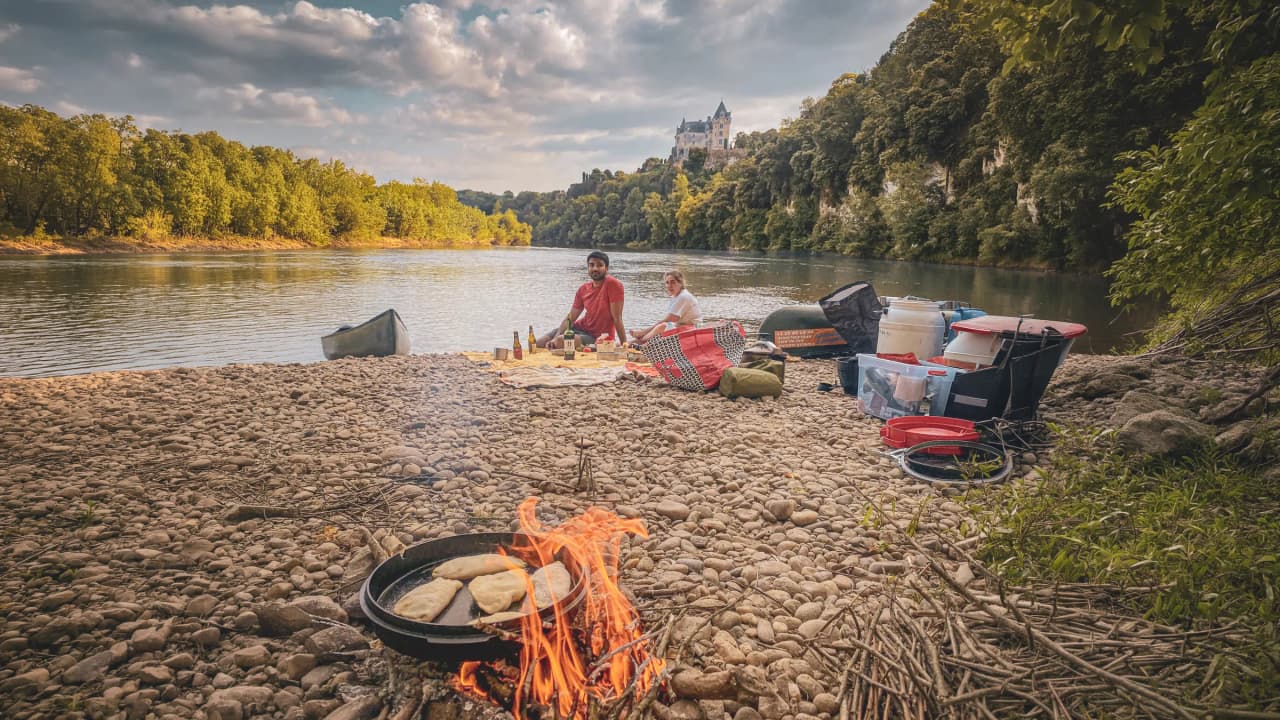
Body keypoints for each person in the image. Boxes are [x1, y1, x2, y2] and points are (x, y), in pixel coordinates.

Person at [539, 250, 626, 349]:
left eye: (599, 265)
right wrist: (555, 337)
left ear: (606, 268)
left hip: (597, 337)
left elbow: (617, 318)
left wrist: (625, 345)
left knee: (561, 341)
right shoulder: (583, 289)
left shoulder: (613, 284)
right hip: (578, 328)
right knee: (539, 343)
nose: (595, 268)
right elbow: (571, 317)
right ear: (588, 268)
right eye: (591, 265)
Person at [629, 270, 703, 344]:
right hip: (685, 328)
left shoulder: (683, 297)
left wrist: (644, 332)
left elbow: (669, 319)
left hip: (693, 330)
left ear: (680, 283)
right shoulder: (675, 296)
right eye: (667, 283)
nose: (669, 286)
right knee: (662, 326)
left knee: (663, 326)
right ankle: (637, 340)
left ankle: (640, 340)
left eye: (673, 282)